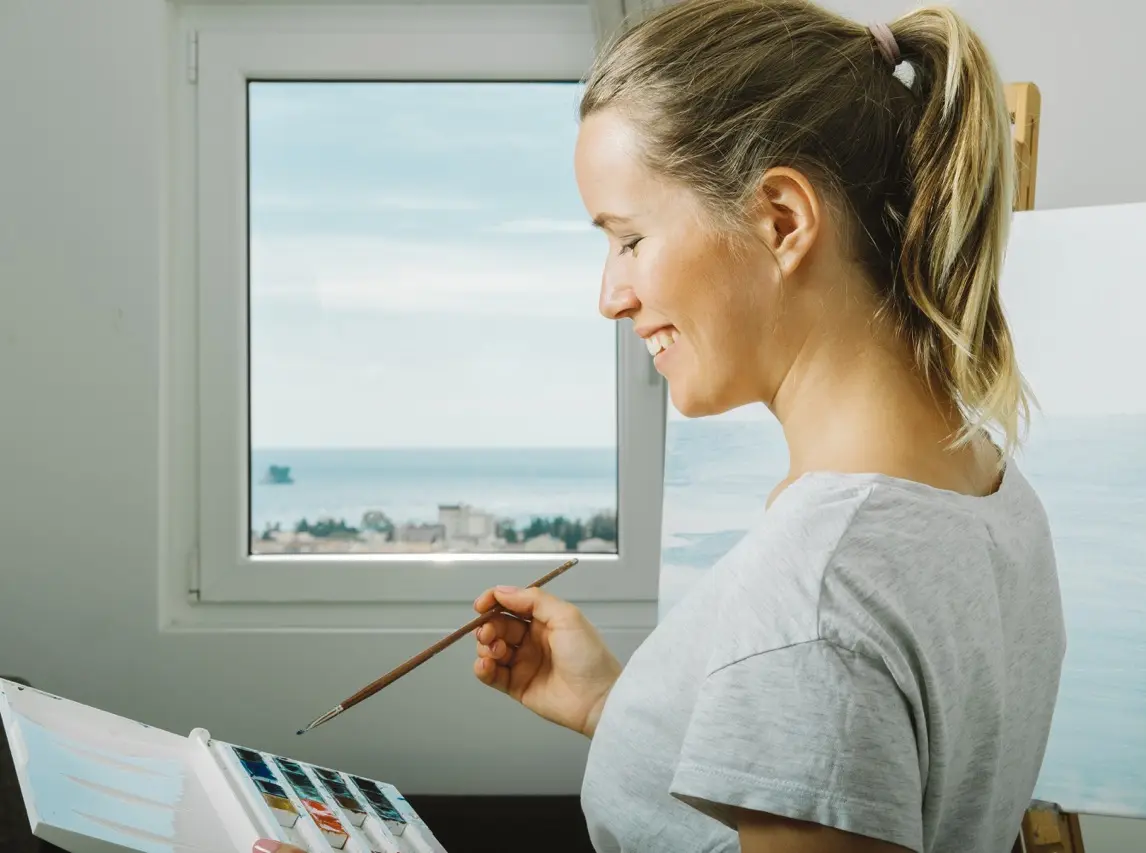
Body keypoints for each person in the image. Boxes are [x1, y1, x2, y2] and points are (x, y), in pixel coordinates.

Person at [251, 1, 1065, 852]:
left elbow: (821, 673)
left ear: (781, 220)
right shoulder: (992, 490)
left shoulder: (817, 587)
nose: (610, 295)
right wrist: (619, 706)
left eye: (630, 239)